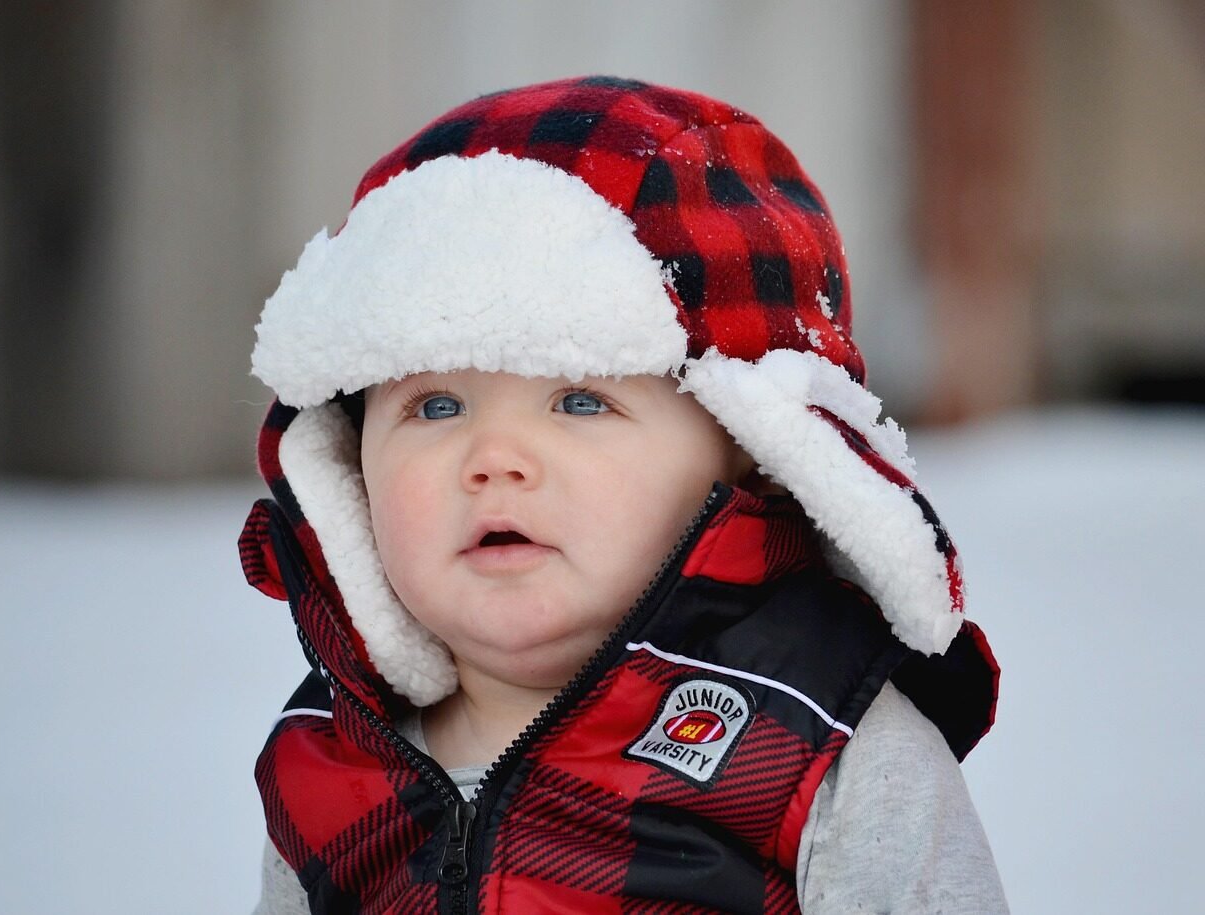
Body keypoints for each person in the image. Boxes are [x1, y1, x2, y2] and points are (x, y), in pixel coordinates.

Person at [240, 76, 1006, 914]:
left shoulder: (819, 744)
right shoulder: (330, 755)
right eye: (436, 405)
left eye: (580, 401)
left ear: (745, 450)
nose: (493, 457)